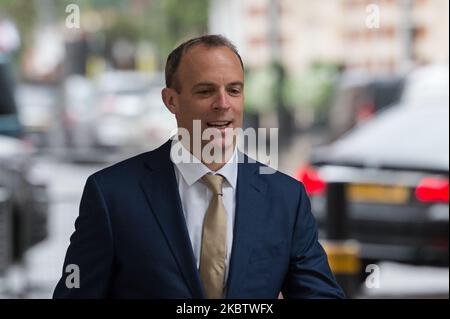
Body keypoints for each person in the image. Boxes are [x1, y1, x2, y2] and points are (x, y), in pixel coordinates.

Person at [53, 35, 345, 299]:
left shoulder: (286, 197)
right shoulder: (111, 195)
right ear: (171, 101)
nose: (223, 104)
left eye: (234, 90)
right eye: (205, 91)